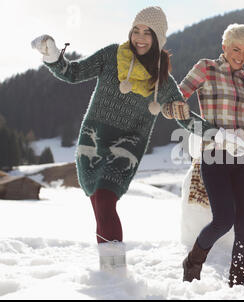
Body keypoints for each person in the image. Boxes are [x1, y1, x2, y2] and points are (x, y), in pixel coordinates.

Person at [31, 6, 191, 275]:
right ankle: (109, 275)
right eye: (136, 30)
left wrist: (216, 134)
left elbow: (185, 116)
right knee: (99, 206)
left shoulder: (162, 81)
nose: (139, 37)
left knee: (105, 199)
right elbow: (72, 72)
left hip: (126, 147)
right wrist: (52, 55)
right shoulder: (111, 56)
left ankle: (115, 274)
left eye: (147, 33)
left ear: (159, 38)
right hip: (93, 141)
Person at [177, 24, 244, 287]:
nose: (241, 56)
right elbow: (174, 105)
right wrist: (212, 133)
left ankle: (237, 285)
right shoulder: (206, 68)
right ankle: (194, 260)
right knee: (224, 220)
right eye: (236, 49)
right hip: (215, 156)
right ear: (224, 47)